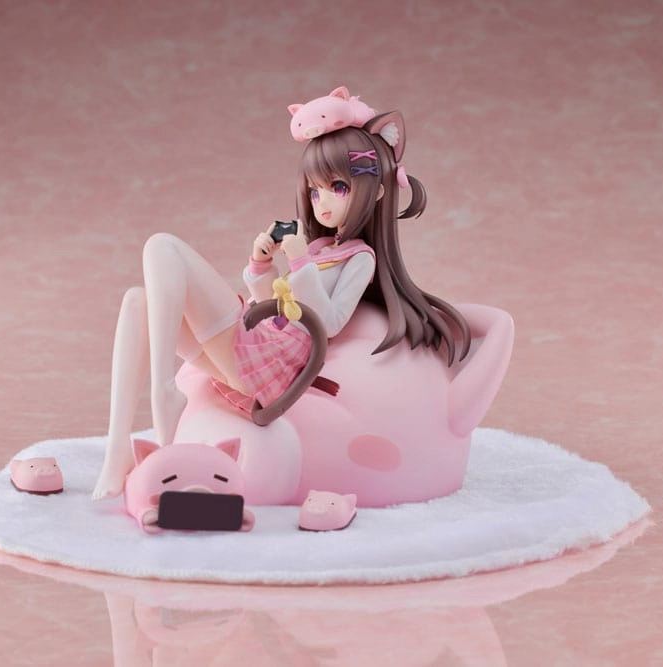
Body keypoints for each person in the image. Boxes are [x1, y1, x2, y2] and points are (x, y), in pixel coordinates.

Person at [92, 110, 470, 500]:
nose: (322, 202)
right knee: (136, 301)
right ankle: (118, 447)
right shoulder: (321, 248)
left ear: (375, 192)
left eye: (338, 187)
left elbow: (330, 322)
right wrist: (261, 265)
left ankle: (163, 391)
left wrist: (301, 262)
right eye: (314, 191)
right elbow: (274, 304)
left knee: (162, 246)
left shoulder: (360, 258)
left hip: (275, 359)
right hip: (260, 339)